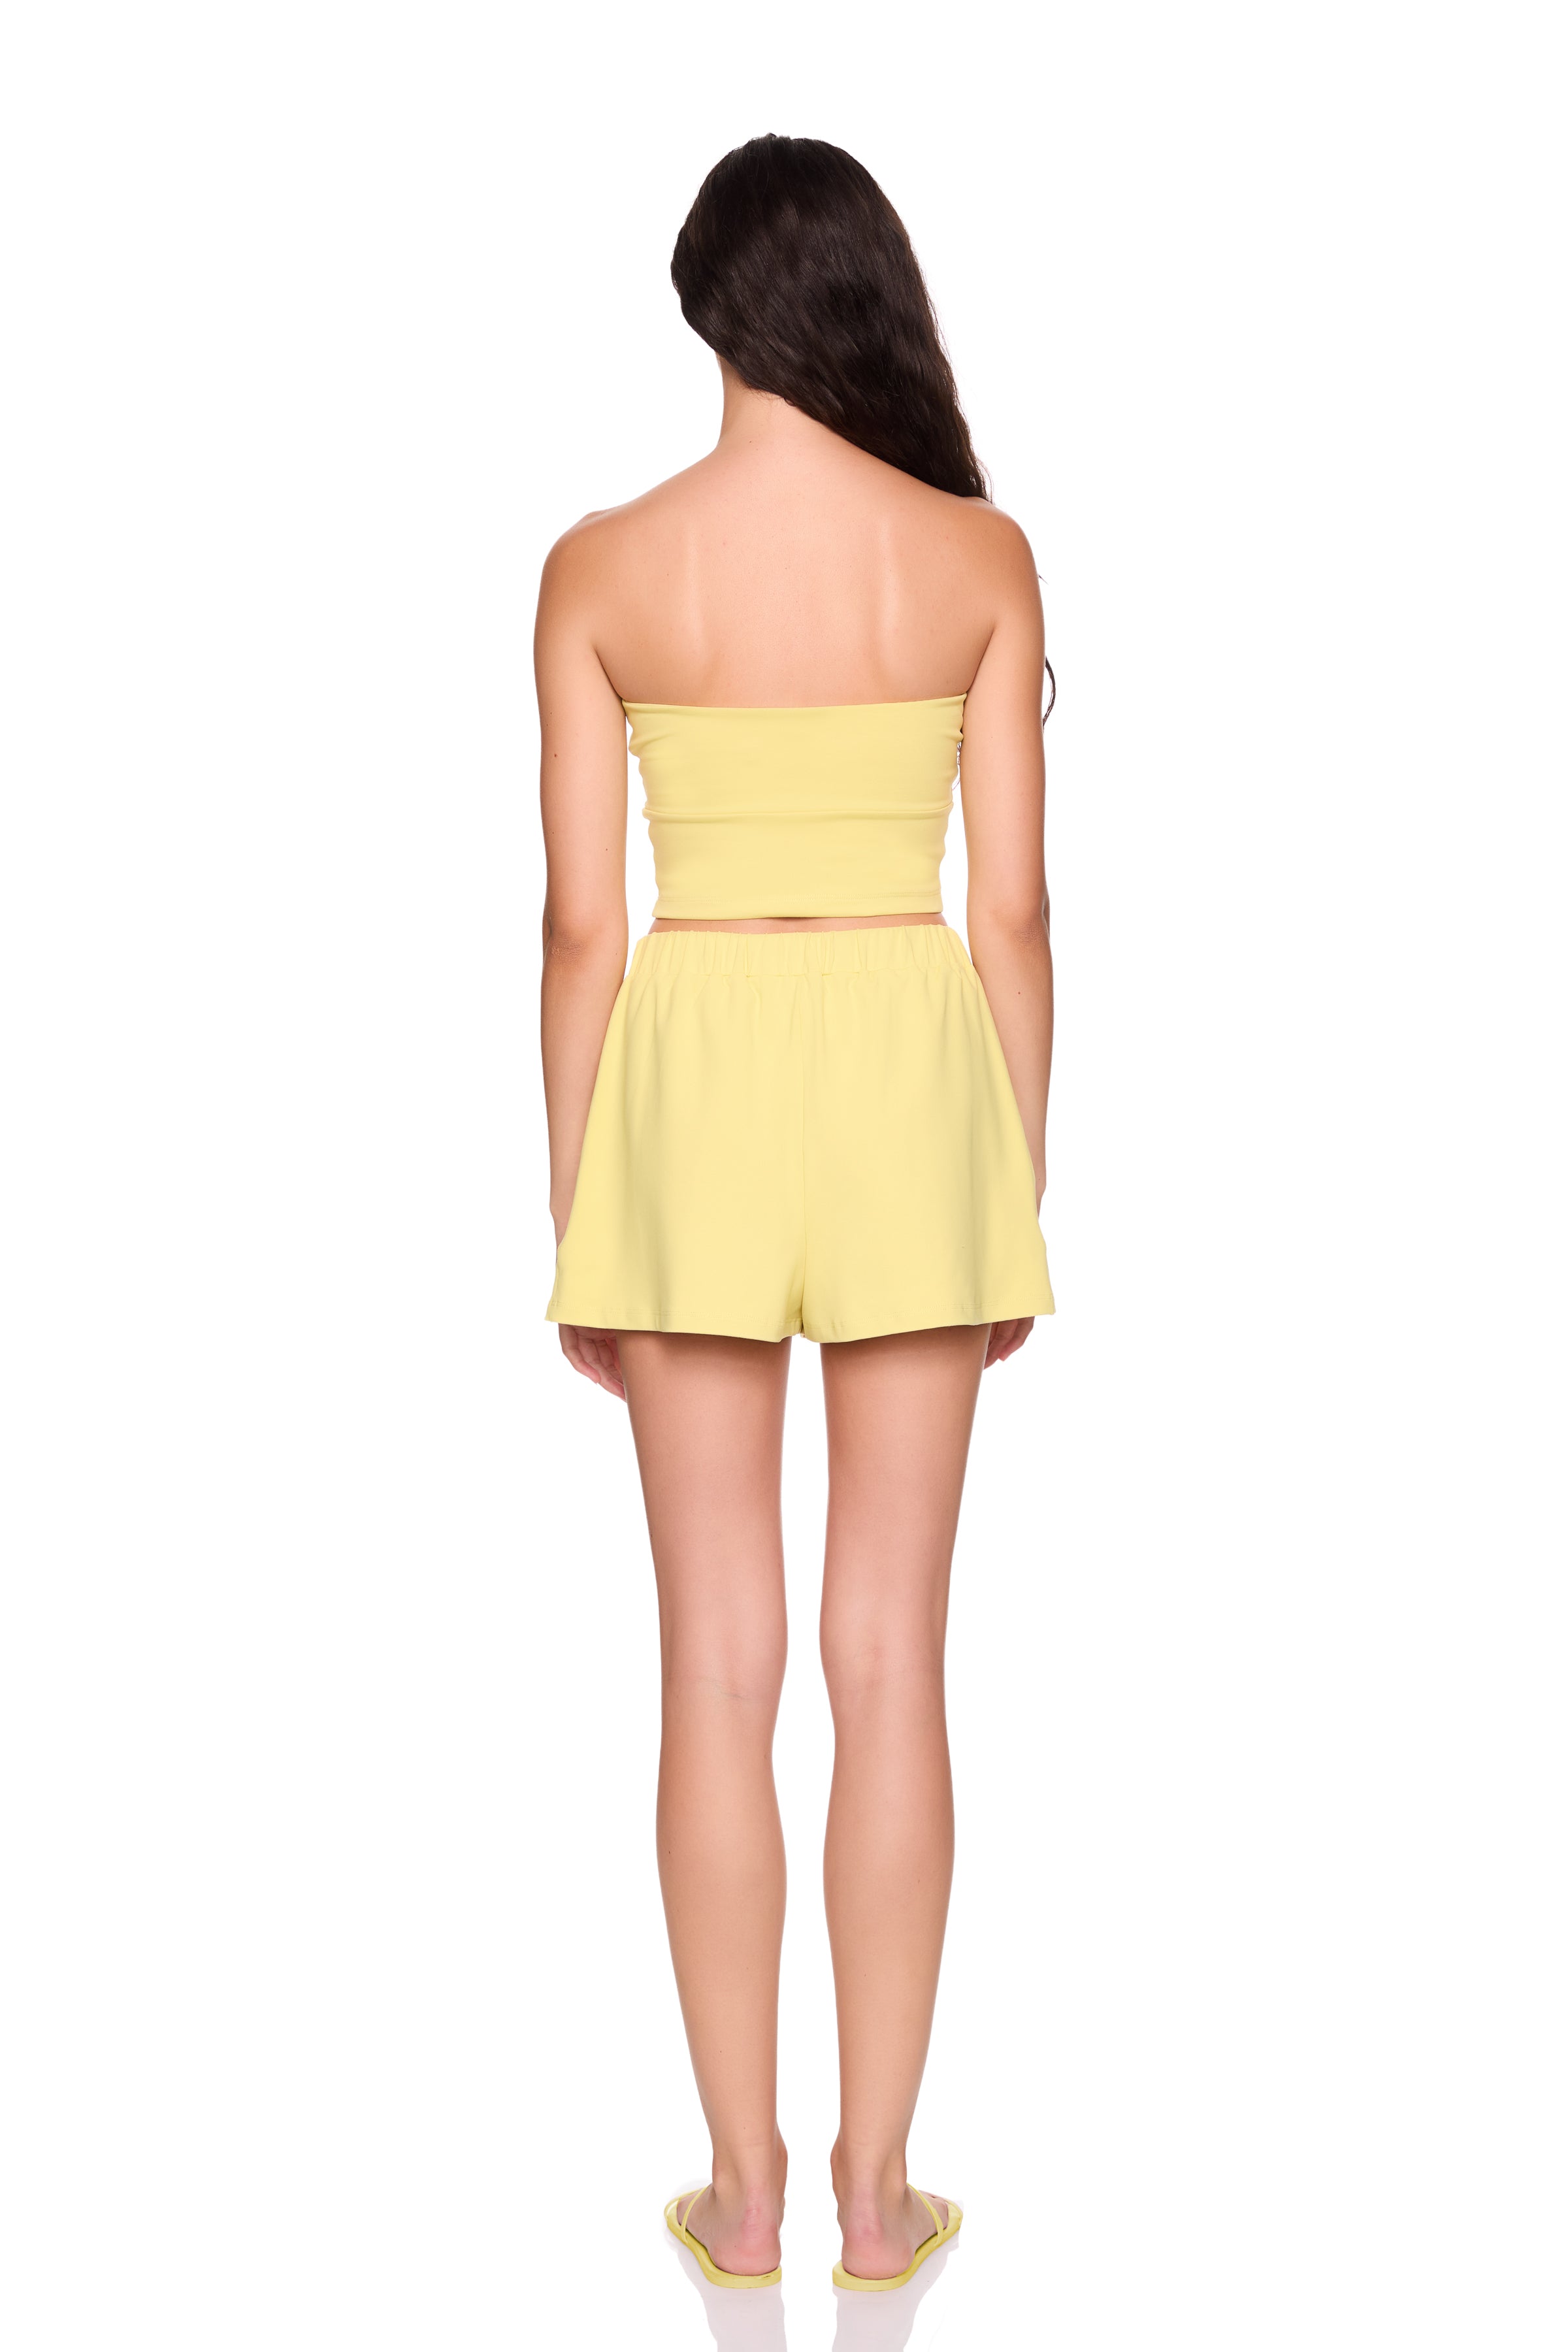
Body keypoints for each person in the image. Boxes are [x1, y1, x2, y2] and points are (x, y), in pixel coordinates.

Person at [537, 134, 1054, 2293]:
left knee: (717, 1660)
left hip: (696, 1085)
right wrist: (1009, 1179)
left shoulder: (601, 567)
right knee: (891, 1654)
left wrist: (583, 1204)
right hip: (912, 1080)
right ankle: (875, 2194)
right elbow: (1014, 915)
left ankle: (739, 2197)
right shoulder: (977, 555)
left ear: (714, 311)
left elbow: (582, 926)